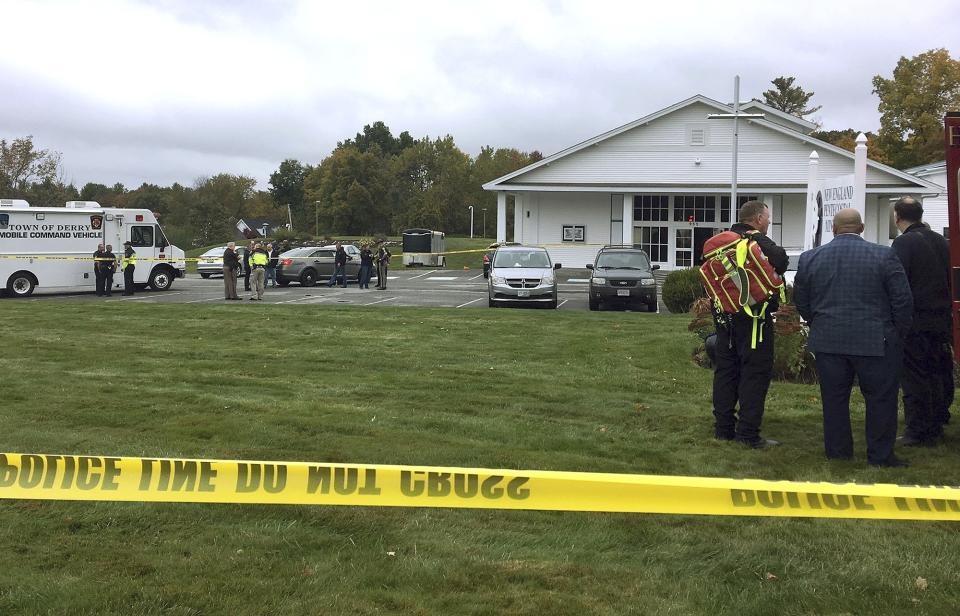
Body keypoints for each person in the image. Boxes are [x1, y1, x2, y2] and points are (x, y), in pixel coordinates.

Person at [794, 208, 914, 467]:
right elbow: (902, 301)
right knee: (881, 400)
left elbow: (802, 302)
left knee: (834, 399)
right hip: (876, 340)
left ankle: (838, 453)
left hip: (829, 340)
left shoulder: (810, 258)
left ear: (834, 230)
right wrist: (896, 334)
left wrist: (820, 323)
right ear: (861, 228)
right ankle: (880, 456)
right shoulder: (885, 255)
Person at [710, 200, 789, 448]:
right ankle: (748, 434)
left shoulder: (721, 241)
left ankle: (723, 429)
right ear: (756, 219)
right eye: (766, 217)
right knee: (754, 374)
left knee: (726, 371)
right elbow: (782, 260)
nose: (768, 221)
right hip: (754, 319)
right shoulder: (757, 240)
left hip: (724, 317)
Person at [891, 196, 954, 446]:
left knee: (915, 375)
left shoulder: (903, 244)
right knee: (938, 371)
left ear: (897, 216)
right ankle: (938, 419)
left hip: (915, 320)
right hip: (941, 319)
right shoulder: (942, 241)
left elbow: (898, 283)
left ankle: (917, 429)